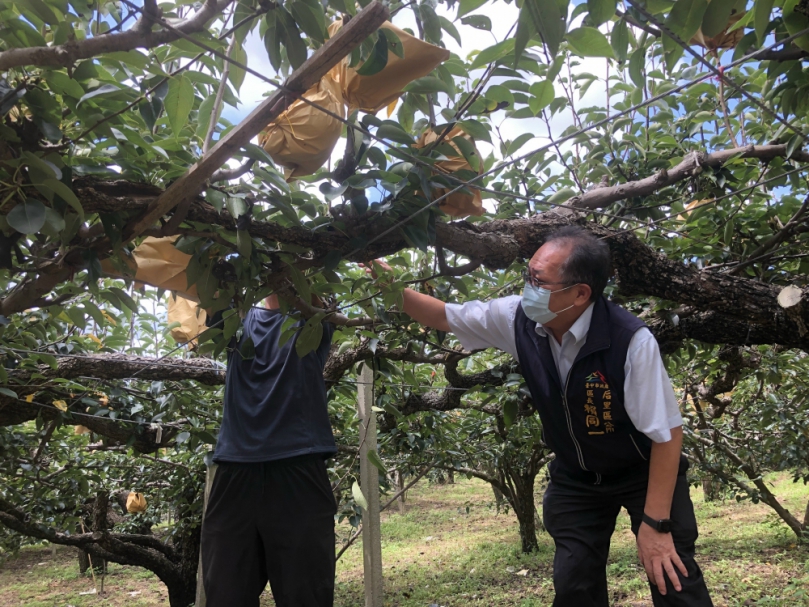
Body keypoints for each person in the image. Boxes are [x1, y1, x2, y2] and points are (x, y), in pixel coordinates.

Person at [368, 226, 713, 607]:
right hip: (577, 478)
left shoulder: (630, 340)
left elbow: (666, 435)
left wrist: (656, 525)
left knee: (672, 576)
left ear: (581, 293)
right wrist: (388, 285)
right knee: (574, 585)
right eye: (527, 275)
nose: (528, 288)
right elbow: (444, 316)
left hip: (642, 472)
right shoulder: (518, 318)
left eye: (539, 281)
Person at [200, 294, 337, 607]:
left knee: (307, 597)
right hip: (236, 473)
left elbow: (318, 296)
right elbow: (208, 285)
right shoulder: (236, 318)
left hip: (298, 470)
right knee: (225, 595)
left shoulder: (313, 314)